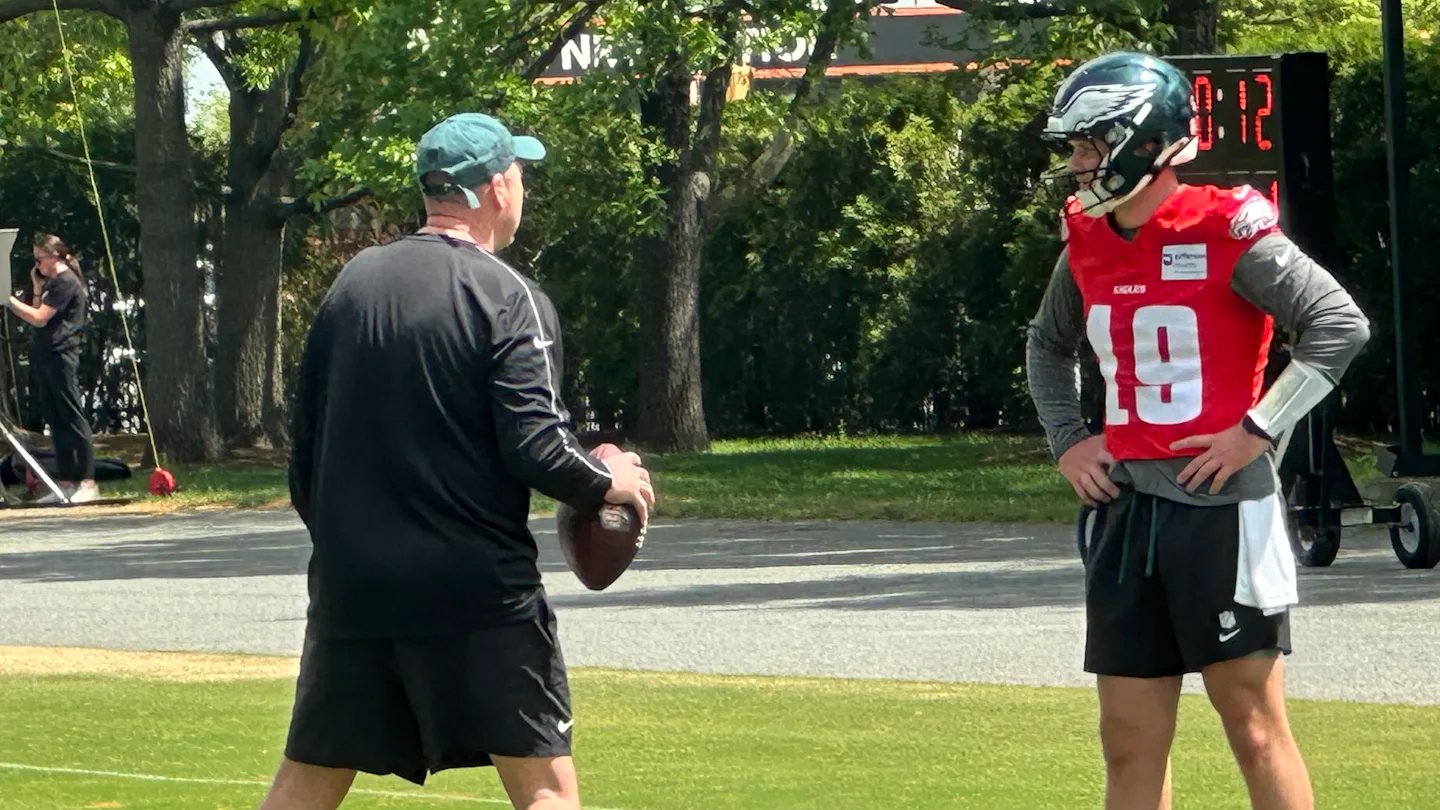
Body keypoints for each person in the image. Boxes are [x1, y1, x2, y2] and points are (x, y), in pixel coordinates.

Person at [260, 112, 656, 810]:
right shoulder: (508, 295)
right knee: (545, 789)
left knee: (306, 785)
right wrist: (610, 481)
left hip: (355, 589)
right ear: (498, 188)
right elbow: (538, 446)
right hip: (478, 591)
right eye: (520, 174)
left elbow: (306, 457)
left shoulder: (353, 284)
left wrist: (352, 547)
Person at [1025, 52, 1370, 810]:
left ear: (1144, 142)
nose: (1077, 164)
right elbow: (1048, 345)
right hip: (1127, 508)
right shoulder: (1087, 237)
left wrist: (1257, 430)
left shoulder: (1226, 226)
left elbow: (1339, 326)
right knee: (1128, 738)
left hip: (1221, 509)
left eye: (1088, 145)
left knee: (1254, 726)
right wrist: (1069, 438)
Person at [4, 233, 98, 504]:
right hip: (45, 355)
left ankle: (87, 480)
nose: (37, 265)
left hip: (62, 354)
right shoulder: (51, 283)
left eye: (39, 259)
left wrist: (7, 299)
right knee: (56, 419)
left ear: (55, 256)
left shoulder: (66, 281)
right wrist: (36, 285)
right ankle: (66, 481)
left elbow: (39, 318)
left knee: (71, 416)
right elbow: (37, 308)